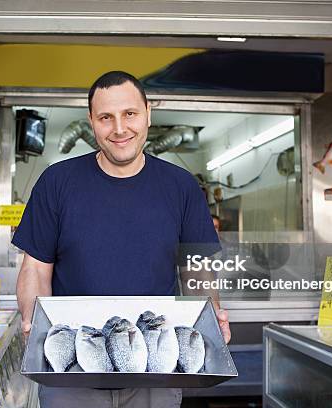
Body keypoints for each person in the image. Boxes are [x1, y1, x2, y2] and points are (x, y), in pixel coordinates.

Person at [13, 71, 231, 408]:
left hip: (155, 365)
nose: (119, 128)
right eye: (106, 117)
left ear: (148, 114)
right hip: (72, 368)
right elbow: (36, 268)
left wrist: (211, 313)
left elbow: (196, 270)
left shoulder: (182, 186)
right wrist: (32, 318)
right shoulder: (56, 182)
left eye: (129, 114)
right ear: (91, 121)